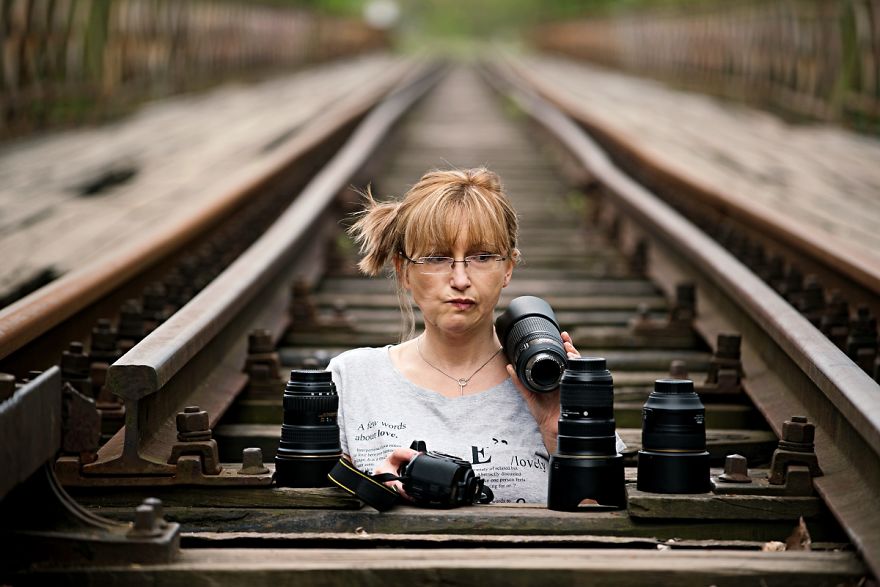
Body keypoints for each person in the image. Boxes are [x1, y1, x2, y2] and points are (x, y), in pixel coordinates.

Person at [327, 167, 622, 504]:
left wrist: (562, 430)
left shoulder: (555, 382)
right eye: (437, 258)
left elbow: (604, 523)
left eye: (481, 257)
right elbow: (312, 516)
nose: (460, 279)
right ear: (403, 270)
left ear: (508, 267)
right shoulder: (352, 379)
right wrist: (373, 490)